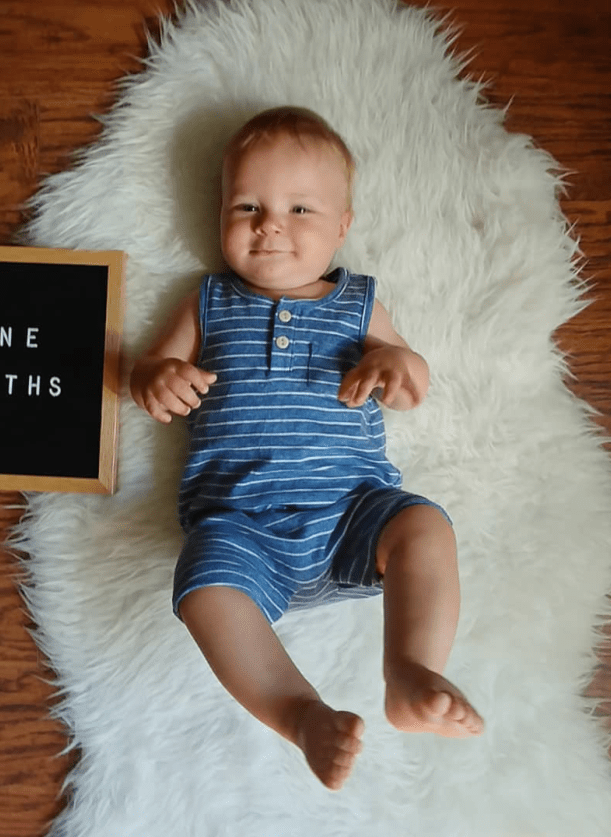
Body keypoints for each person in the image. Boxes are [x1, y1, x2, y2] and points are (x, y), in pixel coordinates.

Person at [130, 106, 484, 791]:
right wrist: (159, 378)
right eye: (248, 207)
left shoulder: (357, 304)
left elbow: (414, 379)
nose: (270, 225)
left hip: (353, 512)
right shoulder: (209, 301)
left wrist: (397, 368)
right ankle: (300, 715)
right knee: (202, 585)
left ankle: (409, 669)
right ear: (219, 214)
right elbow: (148, 371)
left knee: (425, 525)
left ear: (342, 226)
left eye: (299, 209)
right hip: (239, 526)